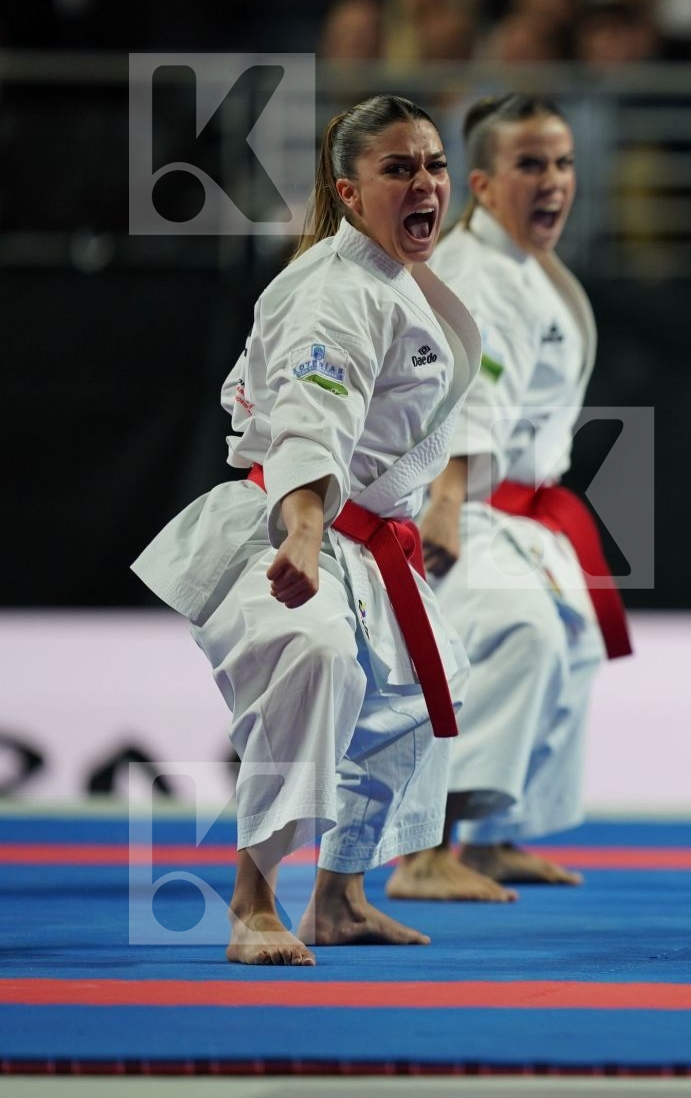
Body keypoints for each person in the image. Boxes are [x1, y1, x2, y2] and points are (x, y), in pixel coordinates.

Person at [131, 94, 482, 965]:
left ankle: (340, 899)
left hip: (362, 540)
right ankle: (253, 904)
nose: (423, 183)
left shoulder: (394, 281)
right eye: (397, 168)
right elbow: (309, 424)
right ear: (350, 191)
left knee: (411, 704)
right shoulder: (335, 292)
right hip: (289, 529)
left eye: (433, 165)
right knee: (315, 660)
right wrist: (300, 529)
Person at [386, 94, 632, 902]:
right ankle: (425, 849)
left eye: (563, 163)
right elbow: (464, 400)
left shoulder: (528, 267)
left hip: (523, 505)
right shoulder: (479, 275)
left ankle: (491, 839)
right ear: (485, 185)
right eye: (531, 165)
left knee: (576, 643)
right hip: (463, 500)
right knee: (516, 634)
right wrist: (448, 507)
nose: (553, 180)